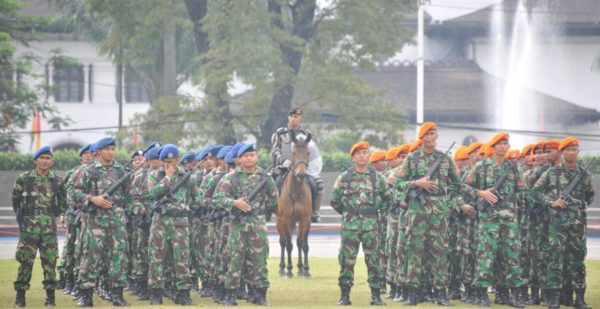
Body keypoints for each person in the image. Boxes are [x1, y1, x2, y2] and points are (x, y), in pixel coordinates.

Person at [463, 132, 526, 308]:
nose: (503, 146)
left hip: (509, 220)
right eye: (499, 143)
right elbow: (463, 186)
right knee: (485, 256)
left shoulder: (514, 168)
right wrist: (480, 193)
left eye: (506, 143)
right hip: (488, 219)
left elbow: (522, 192)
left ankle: (514, 294)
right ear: (493, 147)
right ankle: (481, 293)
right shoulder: (481, 166)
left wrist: (513, 206)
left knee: (511, 257)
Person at [532, 137, 594, 309]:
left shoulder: (584, 174)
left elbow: (589, 196)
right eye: (568, 150)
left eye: (575, 149)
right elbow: (534, 193)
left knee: (577, 262)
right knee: (555, 260)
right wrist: (551, 203)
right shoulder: (552, 173)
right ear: (563, 152)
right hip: (557, 225)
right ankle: (553, 299)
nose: (572, 152)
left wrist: (576, 208)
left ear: (578, 152)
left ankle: (579, 299)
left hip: (577, 224)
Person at [214, 144, 279, 306]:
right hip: (237, 225)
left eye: (252, 155)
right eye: (246, 155)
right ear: (240, 159)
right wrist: (235, 203)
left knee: (260, 260)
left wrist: (259, 208)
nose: (249, 158)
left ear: (256, 157)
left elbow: (274, 199)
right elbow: (218, 199)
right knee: (234, 259)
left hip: (257, 224)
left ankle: (260, 294)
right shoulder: (231, 177)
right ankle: (231, 295)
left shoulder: (265, 177)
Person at [72, 137, 132, 307]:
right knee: (90, 257)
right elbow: (75, 194)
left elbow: (129, 197)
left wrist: (126, 211)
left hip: (116, 221)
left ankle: (117, 294)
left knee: (118, 257)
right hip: (94, 221)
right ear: (98, 152)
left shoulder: (122, 171)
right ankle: (86, 295)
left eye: (113, 149)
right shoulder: (88, 171)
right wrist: (92, 199)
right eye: (107, 149)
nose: (111, 152)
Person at [330, 141, 391, 306]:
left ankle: (376, 296)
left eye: (365, 153)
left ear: (369, 156)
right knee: (347, 261)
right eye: (359, 153)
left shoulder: (377, 178)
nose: (362, 156)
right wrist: (349, 213)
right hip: (350, 226)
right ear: (353, 157)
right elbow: (335, 200)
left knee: (374, 261)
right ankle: (344, 296)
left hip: (371, 226)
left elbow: (387, 198)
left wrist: (376, 212)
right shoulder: (344, 177)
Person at [12, 146, 67, 307]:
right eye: (41, 158)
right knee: (25, 263)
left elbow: (63, 203)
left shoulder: (57, 181)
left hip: (49, 229)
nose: (44, 161)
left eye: (47, 158)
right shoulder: (24, 179)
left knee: (49, 262)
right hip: (29, 229)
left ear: (52, 161)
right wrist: (24, 219)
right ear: (35, 160)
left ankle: (50, 298)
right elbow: (16, 201)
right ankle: (20, 298)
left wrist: (62, 214)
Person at [146, 144, 194, 305]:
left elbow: (196, 196)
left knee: (182, 258)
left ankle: (183, 293)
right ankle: (156, 293)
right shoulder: (155, 175)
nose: (169, 164)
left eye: (172, 161)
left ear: (178, 159)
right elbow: (152, 194)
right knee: (157, 258)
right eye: (165, 161)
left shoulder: (186, 176)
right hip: (161, 222)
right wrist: (167, 177)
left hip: (180, 222)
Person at [271, 107, 323, 222]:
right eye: (292, 116)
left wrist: (309, 165)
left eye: (297, 117)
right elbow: (275, 150)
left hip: (302, 168)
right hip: (283, 168)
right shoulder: (280, 133)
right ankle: (271, 209)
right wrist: (285, 162)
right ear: (289, 117)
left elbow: (312, 153)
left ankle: (314, 212)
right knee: (274, 184)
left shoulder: (306, 134)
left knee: (318, 184)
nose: (294, 119)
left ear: (300, 118)